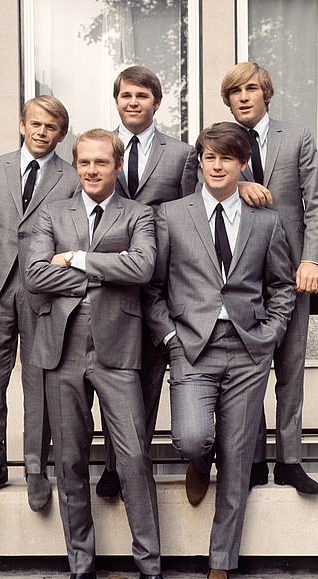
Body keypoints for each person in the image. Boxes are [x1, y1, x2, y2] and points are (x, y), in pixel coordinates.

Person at [23, 129, 180, 579]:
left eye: (101, 162)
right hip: (63, 349)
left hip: (119, 350)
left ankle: (151, 573)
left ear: (117, 165)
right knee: (69, 460)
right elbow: (34, 276)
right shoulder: (53, 213)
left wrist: (80, 258)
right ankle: (81, 568)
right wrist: (104, 270)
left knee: (134, 458)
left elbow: (143, 267)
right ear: (76, 166)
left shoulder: (138, 214)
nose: (92, 170)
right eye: (84, 163)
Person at [143, 122, 296, 579]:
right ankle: (195, 458)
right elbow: (152, 288)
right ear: (201, 160)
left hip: (248, 350)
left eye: (227, 158)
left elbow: (282, 286)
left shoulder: (265, 221)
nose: (216, 165)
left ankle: (219, 566)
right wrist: (170, 336)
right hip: (192, 346)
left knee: (237, 462)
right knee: (190, 435)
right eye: (209, 156)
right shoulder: (171, 215)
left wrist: (270, 335)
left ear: (242, 163)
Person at [0, 96, 79, 510]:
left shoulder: (71, 177)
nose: (41, 132)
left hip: (43, 294)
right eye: (35, 123)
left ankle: (35, 470)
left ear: (61, 134)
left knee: (39, 384)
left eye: (50, 126)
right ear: (21, 124)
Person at [221, 62, 318, 495]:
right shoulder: (218, 141)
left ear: (267, 93)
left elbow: (316, 202)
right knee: (247, 369)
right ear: (227, 101)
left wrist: (312, 261)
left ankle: (289, 460)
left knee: (290, 367)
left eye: (251, 89)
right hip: (242, 275)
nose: (244, 97)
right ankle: (251, 460)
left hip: (290, 275)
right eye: (235, 92)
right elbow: (203, 188)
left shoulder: (297, 136)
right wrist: (239, 187)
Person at [96, 65, 199, 500]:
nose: (133, 102)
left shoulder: (179, 154)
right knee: (112, 374)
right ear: (116, 101)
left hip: (159, 281)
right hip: (112, 279)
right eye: (125, 96)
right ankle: (114, 464)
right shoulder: (100, 150)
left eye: (142, 95)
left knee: (151, 375)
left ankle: (135, 463)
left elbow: (195, 210)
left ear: (156, 102)